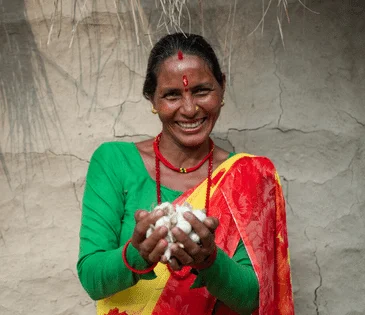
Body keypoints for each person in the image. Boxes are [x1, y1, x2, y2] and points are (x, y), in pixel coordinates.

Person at [77, 33, 294, 315]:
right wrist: (137, 254)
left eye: (202, 91)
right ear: (152, 98)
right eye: (172, 95)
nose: (190, 109)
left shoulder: (247, 177)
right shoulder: (114, 162)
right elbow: (92, 278)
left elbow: (252, 297)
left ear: (222, 88)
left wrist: (209, 261)